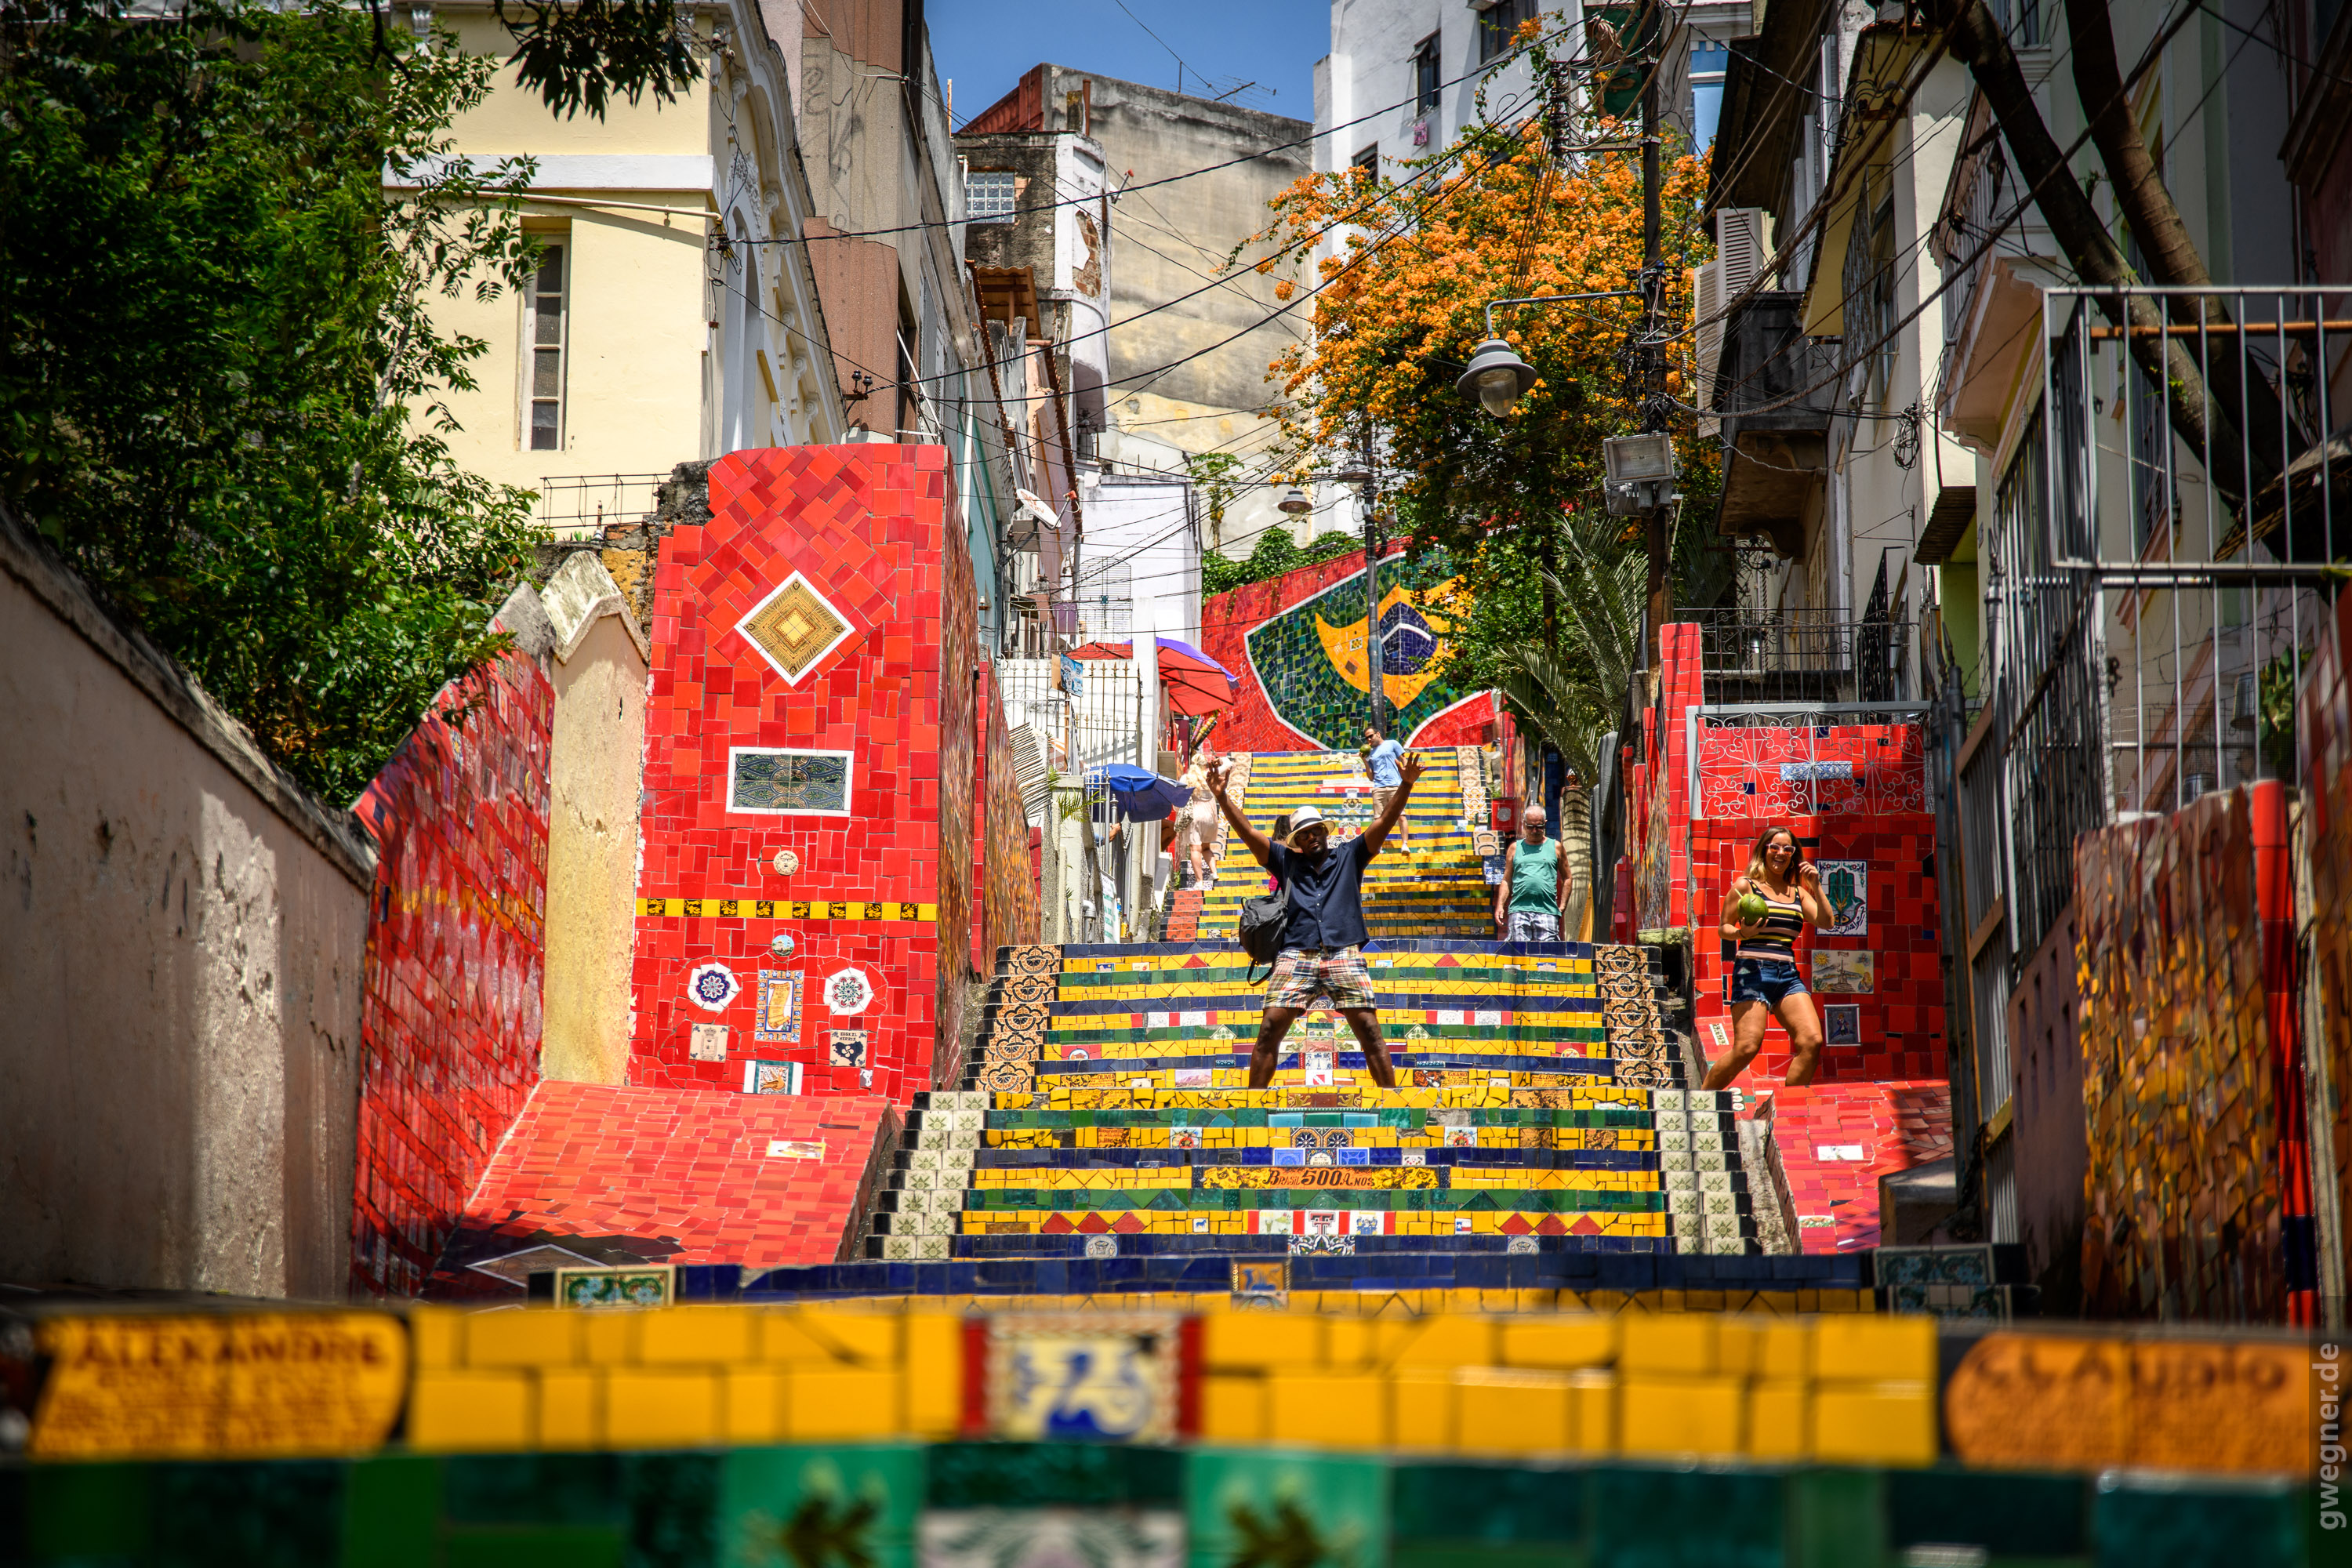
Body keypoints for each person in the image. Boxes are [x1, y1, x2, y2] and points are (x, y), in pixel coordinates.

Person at [1209, 751, 1425, 1088]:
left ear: (1325, 831)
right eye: (1304, 835)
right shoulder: (1284, 861)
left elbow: (1383, 823)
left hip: (1344, 952)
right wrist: (1221, 797)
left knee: (1370, 1030)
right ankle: (1252, 1105)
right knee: (1269, 1030)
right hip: (1297, 953)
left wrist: (1406, 785)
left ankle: (1391, 1101)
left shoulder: (1351, 856)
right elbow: (1247, 831)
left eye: (1316, 831)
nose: (1312, 837)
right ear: (1296, 841)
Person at [1704, 824, 1828, 1090]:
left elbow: (1826, 921)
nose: (1780, 853)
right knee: (1747, 1048)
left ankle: (1788, 1109)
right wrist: (1742, 933)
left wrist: (1816, 886)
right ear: (1764, 850)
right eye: (1775, 847)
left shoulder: (1798, 893)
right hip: (1752, 971)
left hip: (1787, 975)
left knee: (1812, 1041)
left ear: (1793, 856)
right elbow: (1723, 928)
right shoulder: (1745, 887)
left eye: (1788, 849)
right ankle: (1702, 1101)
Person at [1492, 804, 1570, 942]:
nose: (1535, 831)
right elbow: (1506, 880)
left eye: (1539, 827)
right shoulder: (1515, 848)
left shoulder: (1556, 847)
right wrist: (1500, 906)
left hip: (1547, 911)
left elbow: (1568, 878)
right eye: (1530, 826)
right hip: (1519, 911)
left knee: (1547, 958)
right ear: (1524, 824)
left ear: (1545, 824)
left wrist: (1562, 906)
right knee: (1520, 957)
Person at [1173, 749, 1221, 880]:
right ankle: (1214, 873)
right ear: (1205, 765)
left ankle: (1199, 881)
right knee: (1206, 847)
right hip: (1210, 818)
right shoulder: (1209, 777)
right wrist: (1218, 762)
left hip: (1195, 816)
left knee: (1195, 848)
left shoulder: (1186, 778)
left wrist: (1178, 810)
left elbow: (1179, 800)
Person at [1364, 725, 1407, 848]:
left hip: (1395, 785)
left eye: (1371, 736)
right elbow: (1371, 777)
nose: (1369, 740)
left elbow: (1403, 759)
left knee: (1401, 815)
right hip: (1379, 787)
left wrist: (1405, 773)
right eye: (1367, 738)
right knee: (1378, 819)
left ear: (1378, 734)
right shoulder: (1370, 753)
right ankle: (1379, 845)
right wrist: (1365, 761)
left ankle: (1405, 844)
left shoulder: (1392, 744)